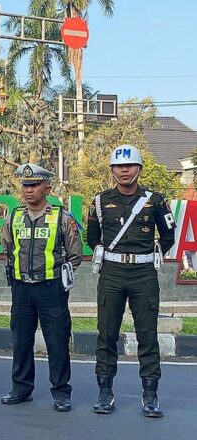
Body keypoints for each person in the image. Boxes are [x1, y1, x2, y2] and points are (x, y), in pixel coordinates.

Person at [87, 145, 176, 418]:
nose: (124, 170)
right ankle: (105, 393)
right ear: (112, 170)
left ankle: (150, 395)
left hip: (143, 274)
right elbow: (93, 238)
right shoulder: (100, 201)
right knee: (107, 334)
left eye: (129, 166)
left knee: (148, 335)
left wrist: (150, 255)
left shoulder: (156, 201)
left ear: (139, 168)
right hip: (112, 273)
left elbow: (168, 235)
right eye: (118, 166)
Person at [0, 164, 82, 412]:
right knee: (21, 341)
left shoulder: (62, 217)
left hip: (51, 289)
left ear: (47, 187)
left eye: (34, 185)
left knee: (56, 341)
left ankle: (61, 392)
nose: (28, 190)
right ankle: (21, 388)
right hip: (22, 289)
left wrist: (61, 277)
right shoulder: (14, 216)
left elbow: (75, 255)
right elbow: (7, 248)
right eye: (25, 186)